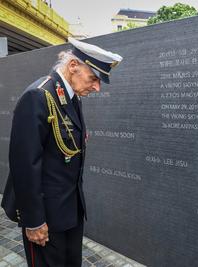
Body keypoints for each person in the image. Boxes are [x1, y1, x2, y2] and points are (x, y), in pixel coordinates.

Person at [1, 37, 122, 266]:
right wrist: (34, 221)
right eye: (94, 78)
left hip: (70, 210)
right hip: (46, 217)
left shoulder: (71, 95)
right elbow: (25, 165)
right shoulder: (38, 96)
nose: (97, 87)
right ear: (73, 66)